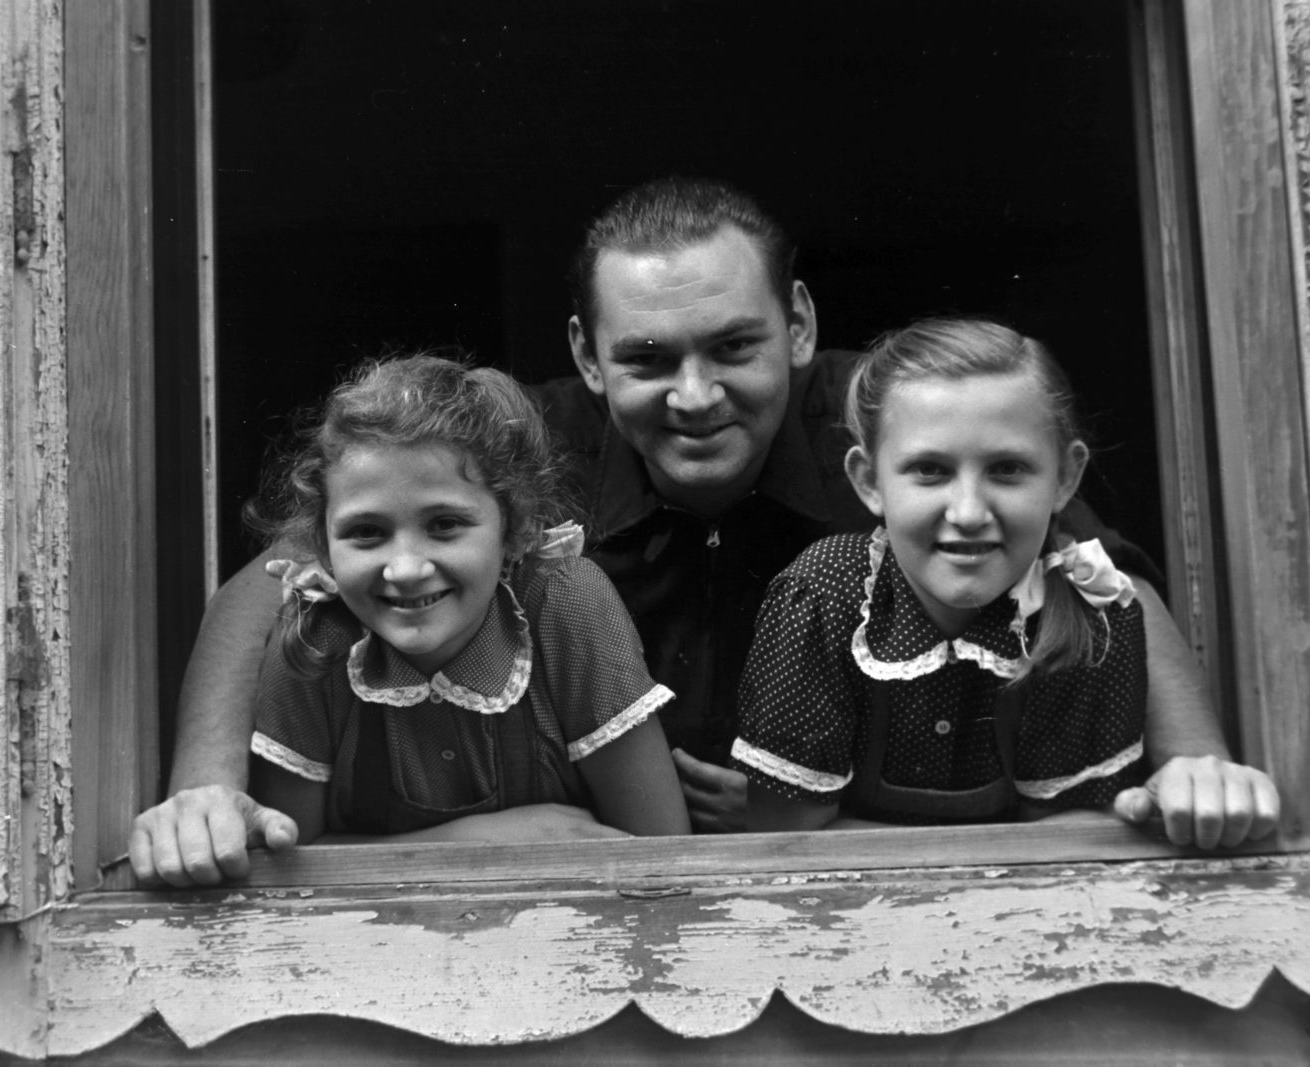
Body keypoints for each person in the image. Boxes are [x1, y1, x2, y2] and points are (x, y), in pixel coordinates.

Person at [131, 178, 1270, 887]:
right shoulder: (526, 446)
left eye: (732, 346)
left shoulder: (893, 430)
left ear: (799, 323)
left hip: (856, 850)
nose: (693, 394)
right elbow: (283, 575)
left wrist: (1199, 763)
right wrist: (205, 789)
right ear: (587, 355)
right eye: (645, 359)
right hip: (609, 874)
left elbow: (1094, 572)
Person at [132, 355, 687, 872]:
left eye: (444, 524)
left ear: (514, 527)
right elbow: (289, 861)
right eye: (366, 533)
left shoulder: (565, 601)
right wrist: (483, 842)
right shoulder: (310, 639)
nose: (404, 568)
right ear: (321, 552)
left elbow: (664, 851)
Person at [735, 319, 1279, 837]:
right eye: (930, 470)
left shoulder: (1091, 618)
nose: (969, 512)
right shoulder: (823, 594)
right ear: (868, 481)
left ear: (1065, 478)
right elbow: (789, 835)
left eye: (1007, 469)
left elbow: (1073, 839)